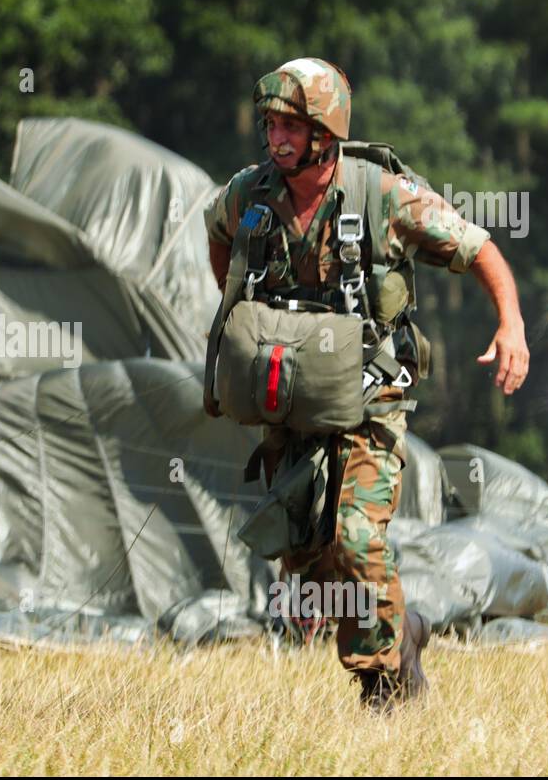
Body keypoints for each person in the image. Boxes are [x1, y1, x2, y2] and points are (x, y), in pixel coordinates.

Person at [202, 57, 529, 711]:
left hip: (370, 396)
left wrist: (511, 324)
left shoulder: (384, 195)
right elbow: (218, 236)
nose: (276, 140)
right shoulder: (251, 193)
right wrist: (245, 323)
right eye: (270, 125)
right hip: (290, 396)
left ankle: (389, 686)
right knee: (307, 558)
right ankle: (402, 629)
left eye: (290, 127)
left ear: (325, 130)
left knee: (355, 539)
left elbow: (480, 249)